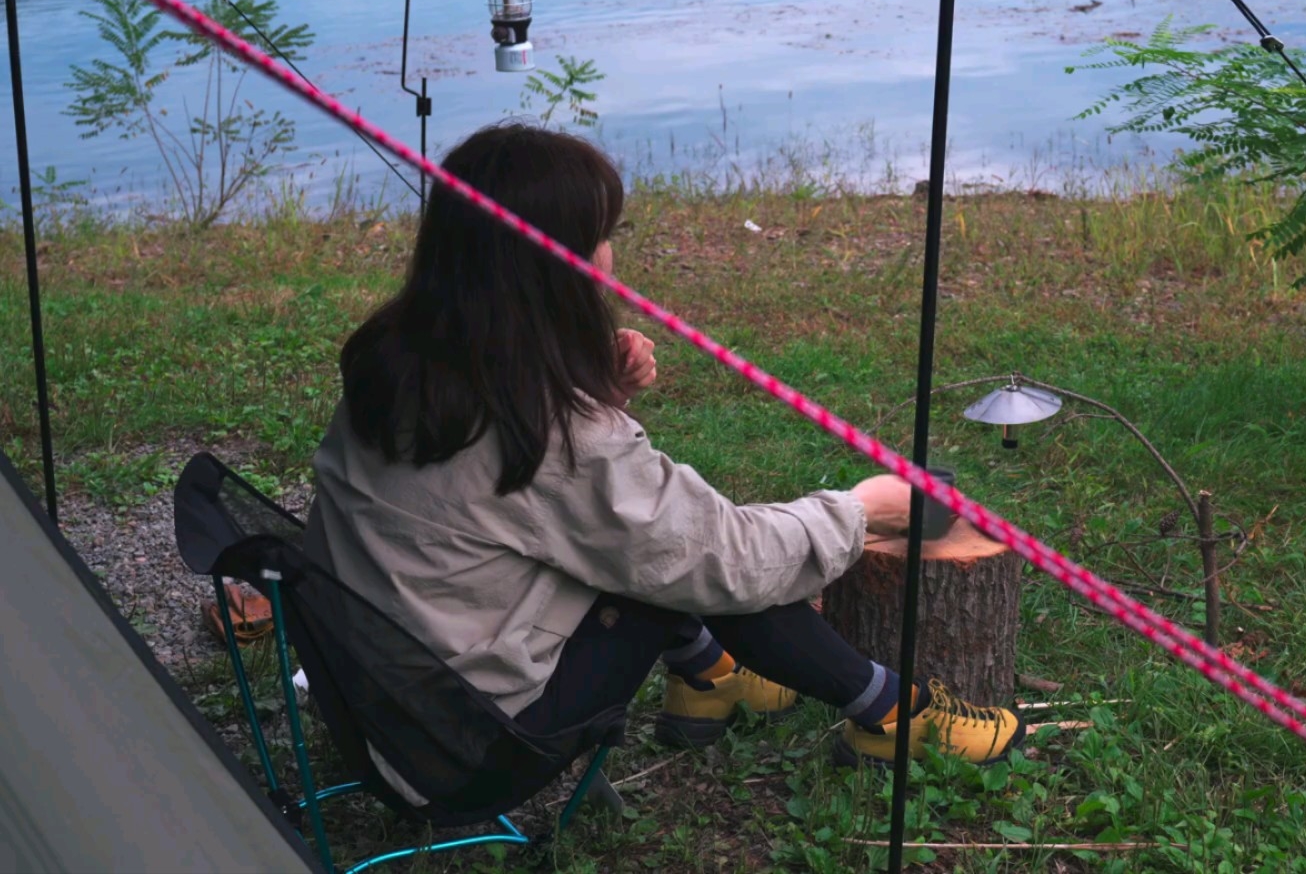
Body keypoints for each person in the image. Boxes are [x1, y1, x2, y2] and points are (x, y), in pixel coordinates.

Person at [303, 124, 1023, 799]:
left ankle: (710, 677)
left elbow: (526, 503)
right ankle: (898, 718)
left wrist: (599, 397)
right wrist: (867, 508)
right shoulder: (552, 432)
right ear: (548, 268)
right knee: (693, 561)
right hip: (470, 751)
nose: (611, 254)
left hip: (378, 703)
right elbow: (724, 558)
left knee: (661, 548)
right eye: (601, 237)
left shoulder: (393, 361)